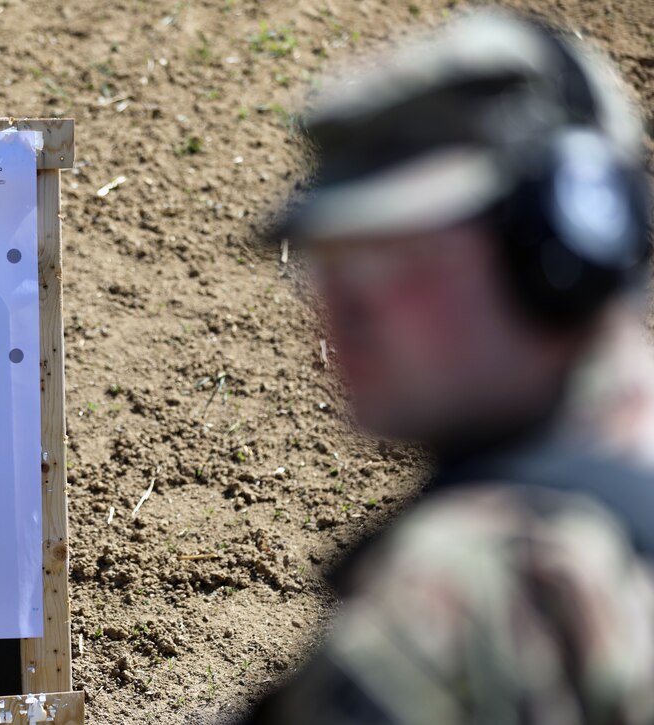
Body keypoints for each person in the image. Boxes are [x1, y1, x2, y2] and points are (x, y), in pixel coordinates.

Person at [243, 11, 654, 724]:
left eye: (400, 255)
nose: (343, 306)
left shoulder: (478, 584)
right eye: (329, 264)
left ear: (561, 247)